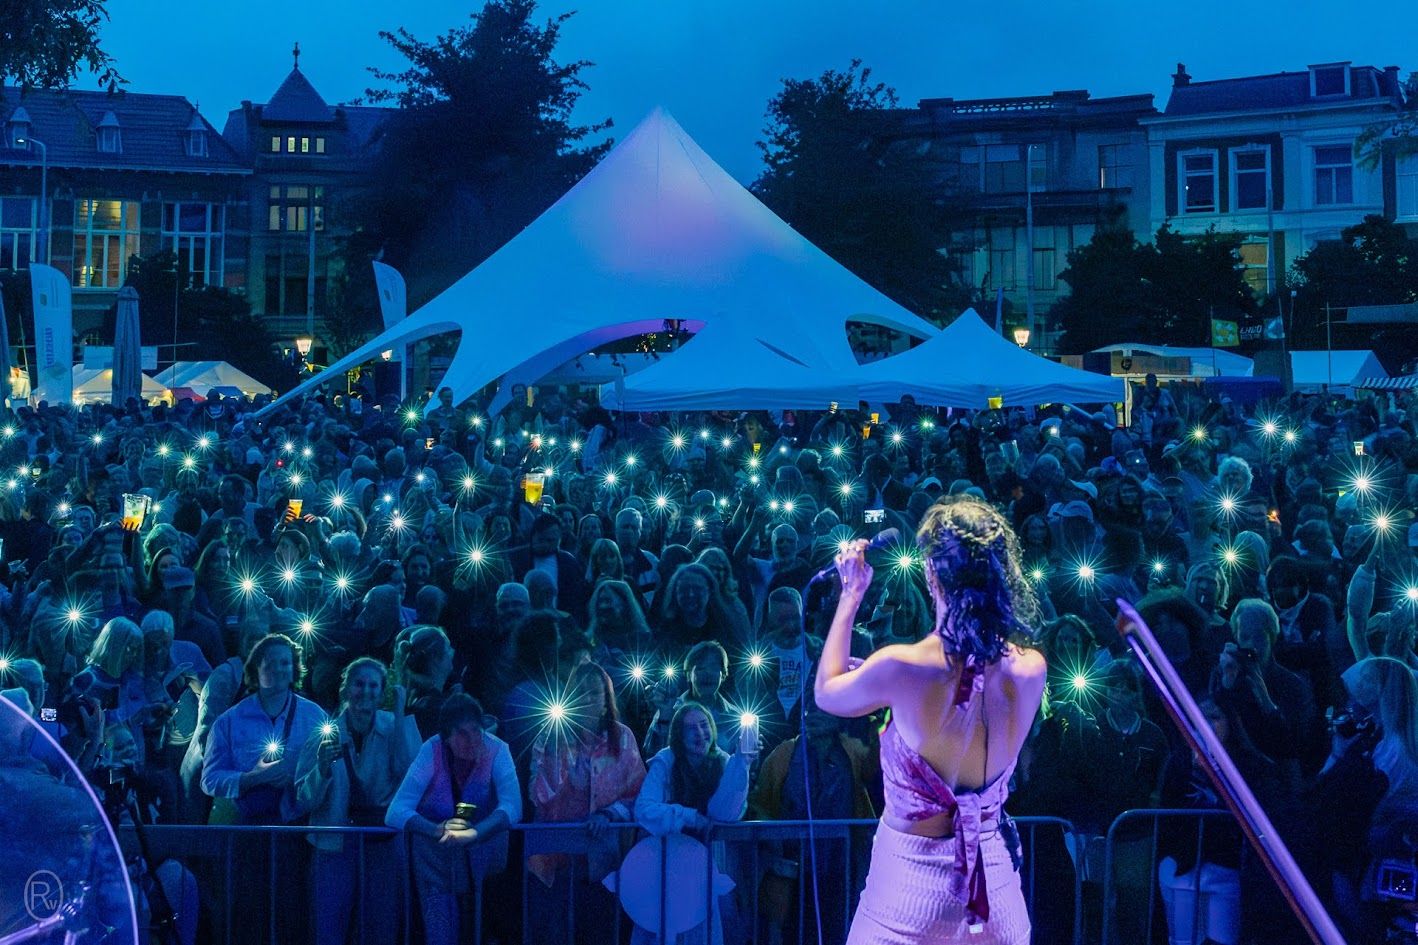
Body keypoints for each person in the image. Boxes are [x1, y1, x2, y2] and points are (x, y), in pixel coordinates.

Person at [816, 495, 1045, 943]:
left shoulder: (902, 666)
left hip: (908, 895)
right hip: (994, 893)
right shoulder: (1031, 668)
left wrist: (850, 595)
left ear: (931, 573)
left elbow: (826, 693)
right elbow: (969, 698)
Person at [295, 658, 421, 945]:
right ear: (346, 688)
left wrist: (400, 714)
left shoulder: (395, 726)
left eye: (373, 685)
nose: (366, 691)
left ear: (382, 691)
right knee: (329, 924)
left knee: (381, 925)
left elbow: (409, 776)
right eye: (359, 684)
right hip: (335, 840)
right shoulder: (323, 733)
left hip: (383, 841)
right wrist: (322, 770)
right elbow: (304, 799)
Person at [386, 693, 521, 945]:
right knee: (439, 933)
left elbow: (513, 806)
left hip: (482, 867)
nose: (471, 740)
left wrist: (477, 832)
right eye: (461, 733)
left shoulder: (497, 749)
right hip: (435, 866)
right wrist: (435, 830)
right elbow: (395, 811)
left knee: (478, 930)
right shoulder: (431, 750)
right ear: (446, 736)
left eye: (475, 730)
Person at [527, 662, 647, 944]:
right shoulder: (551, 735)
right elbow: (536, 794)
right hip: (554, 862)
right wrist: (570, 784)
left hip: (603, 860)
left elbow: (638, 792)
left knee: (600, 931)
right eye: (579, 692)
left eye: (594, 693)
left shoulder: (623, 739)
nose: (586, 699)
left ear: (606, 702)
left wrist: (609, 813)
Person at [634, 700, 756, 945]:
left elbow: (725, 813)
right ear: (679, 734)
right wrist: (688, 816)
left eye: (703, 725)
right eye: (691, 728)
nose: (700, 734)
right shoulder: (666, 761)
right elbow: (644, 808)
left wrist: (742, 763)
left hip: (710, 864)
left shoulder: (724, 761)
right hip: (668, 866)